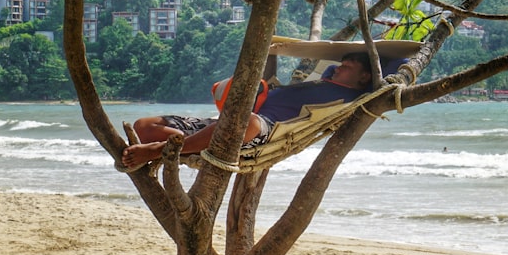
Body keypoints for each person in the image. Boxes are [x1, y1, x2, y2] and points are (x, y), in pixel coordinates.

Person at [121, 52, 377, 170]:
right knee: (144, 126)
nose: (340, 67)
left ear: (365, 76)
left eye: (348, 66)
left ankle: (158, 151)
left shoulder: (352, 95)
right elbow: (331, 67)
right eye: (340, 64)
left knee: (246, 123)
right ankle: (192, 145)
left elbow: (397, 65)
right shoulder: (325, 78)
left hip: (264, 129)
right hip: (228, 121)